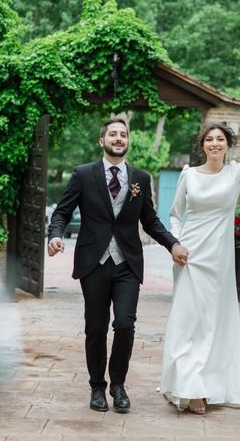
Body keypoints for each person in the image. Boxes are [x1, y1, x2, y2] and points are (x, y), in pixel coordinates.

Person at [47, 117, 189, 413]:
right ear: (102, 141)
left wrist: (172, 244)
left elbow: (150, 221)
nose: (118, 138)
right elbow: (61, 211)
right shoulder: (83, 174)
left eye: (123, 134)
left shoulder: (140, 179)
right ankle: (97, 387)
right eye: (113, 134)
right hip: (94, 264)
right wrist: (56, 235)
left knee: (125, 324)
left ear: (128, 141)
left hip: (127, 263)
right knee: (96, 328)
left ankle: (118, 385)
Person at [159, 94, 240, 414]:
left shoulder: (236, 173)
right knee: (188, 322)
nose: (214, 144)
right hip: (189, 257)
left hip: (219, 261)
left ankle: (208, 384)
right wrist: (176, 243)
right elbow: (175, 214)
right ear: (202, 145)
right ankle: (189, 388)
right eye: (209, 139)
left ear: (227, 145)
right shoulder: (188, 175)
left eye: (220, 139)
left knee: (213, 323)